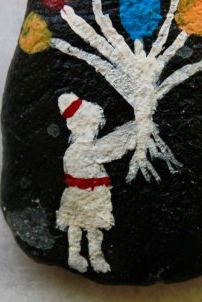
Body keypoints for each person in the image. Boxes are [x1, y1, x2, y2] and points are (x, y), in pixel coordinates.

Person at [55, 92, 136, 273]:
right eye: (91, 126)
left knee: (87, 227)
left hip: (88, 194)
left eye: (94, 126)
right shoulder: (84, 150)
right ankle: (78, 256)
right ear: (76, 126)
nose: (94, 130)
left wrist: (129, 131)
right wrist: (130, 133)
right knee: (80, 226)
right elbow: (111, 149)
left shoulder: (78, 149)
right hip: (85, 195)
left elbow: (108, 147)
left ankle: (91, 256)